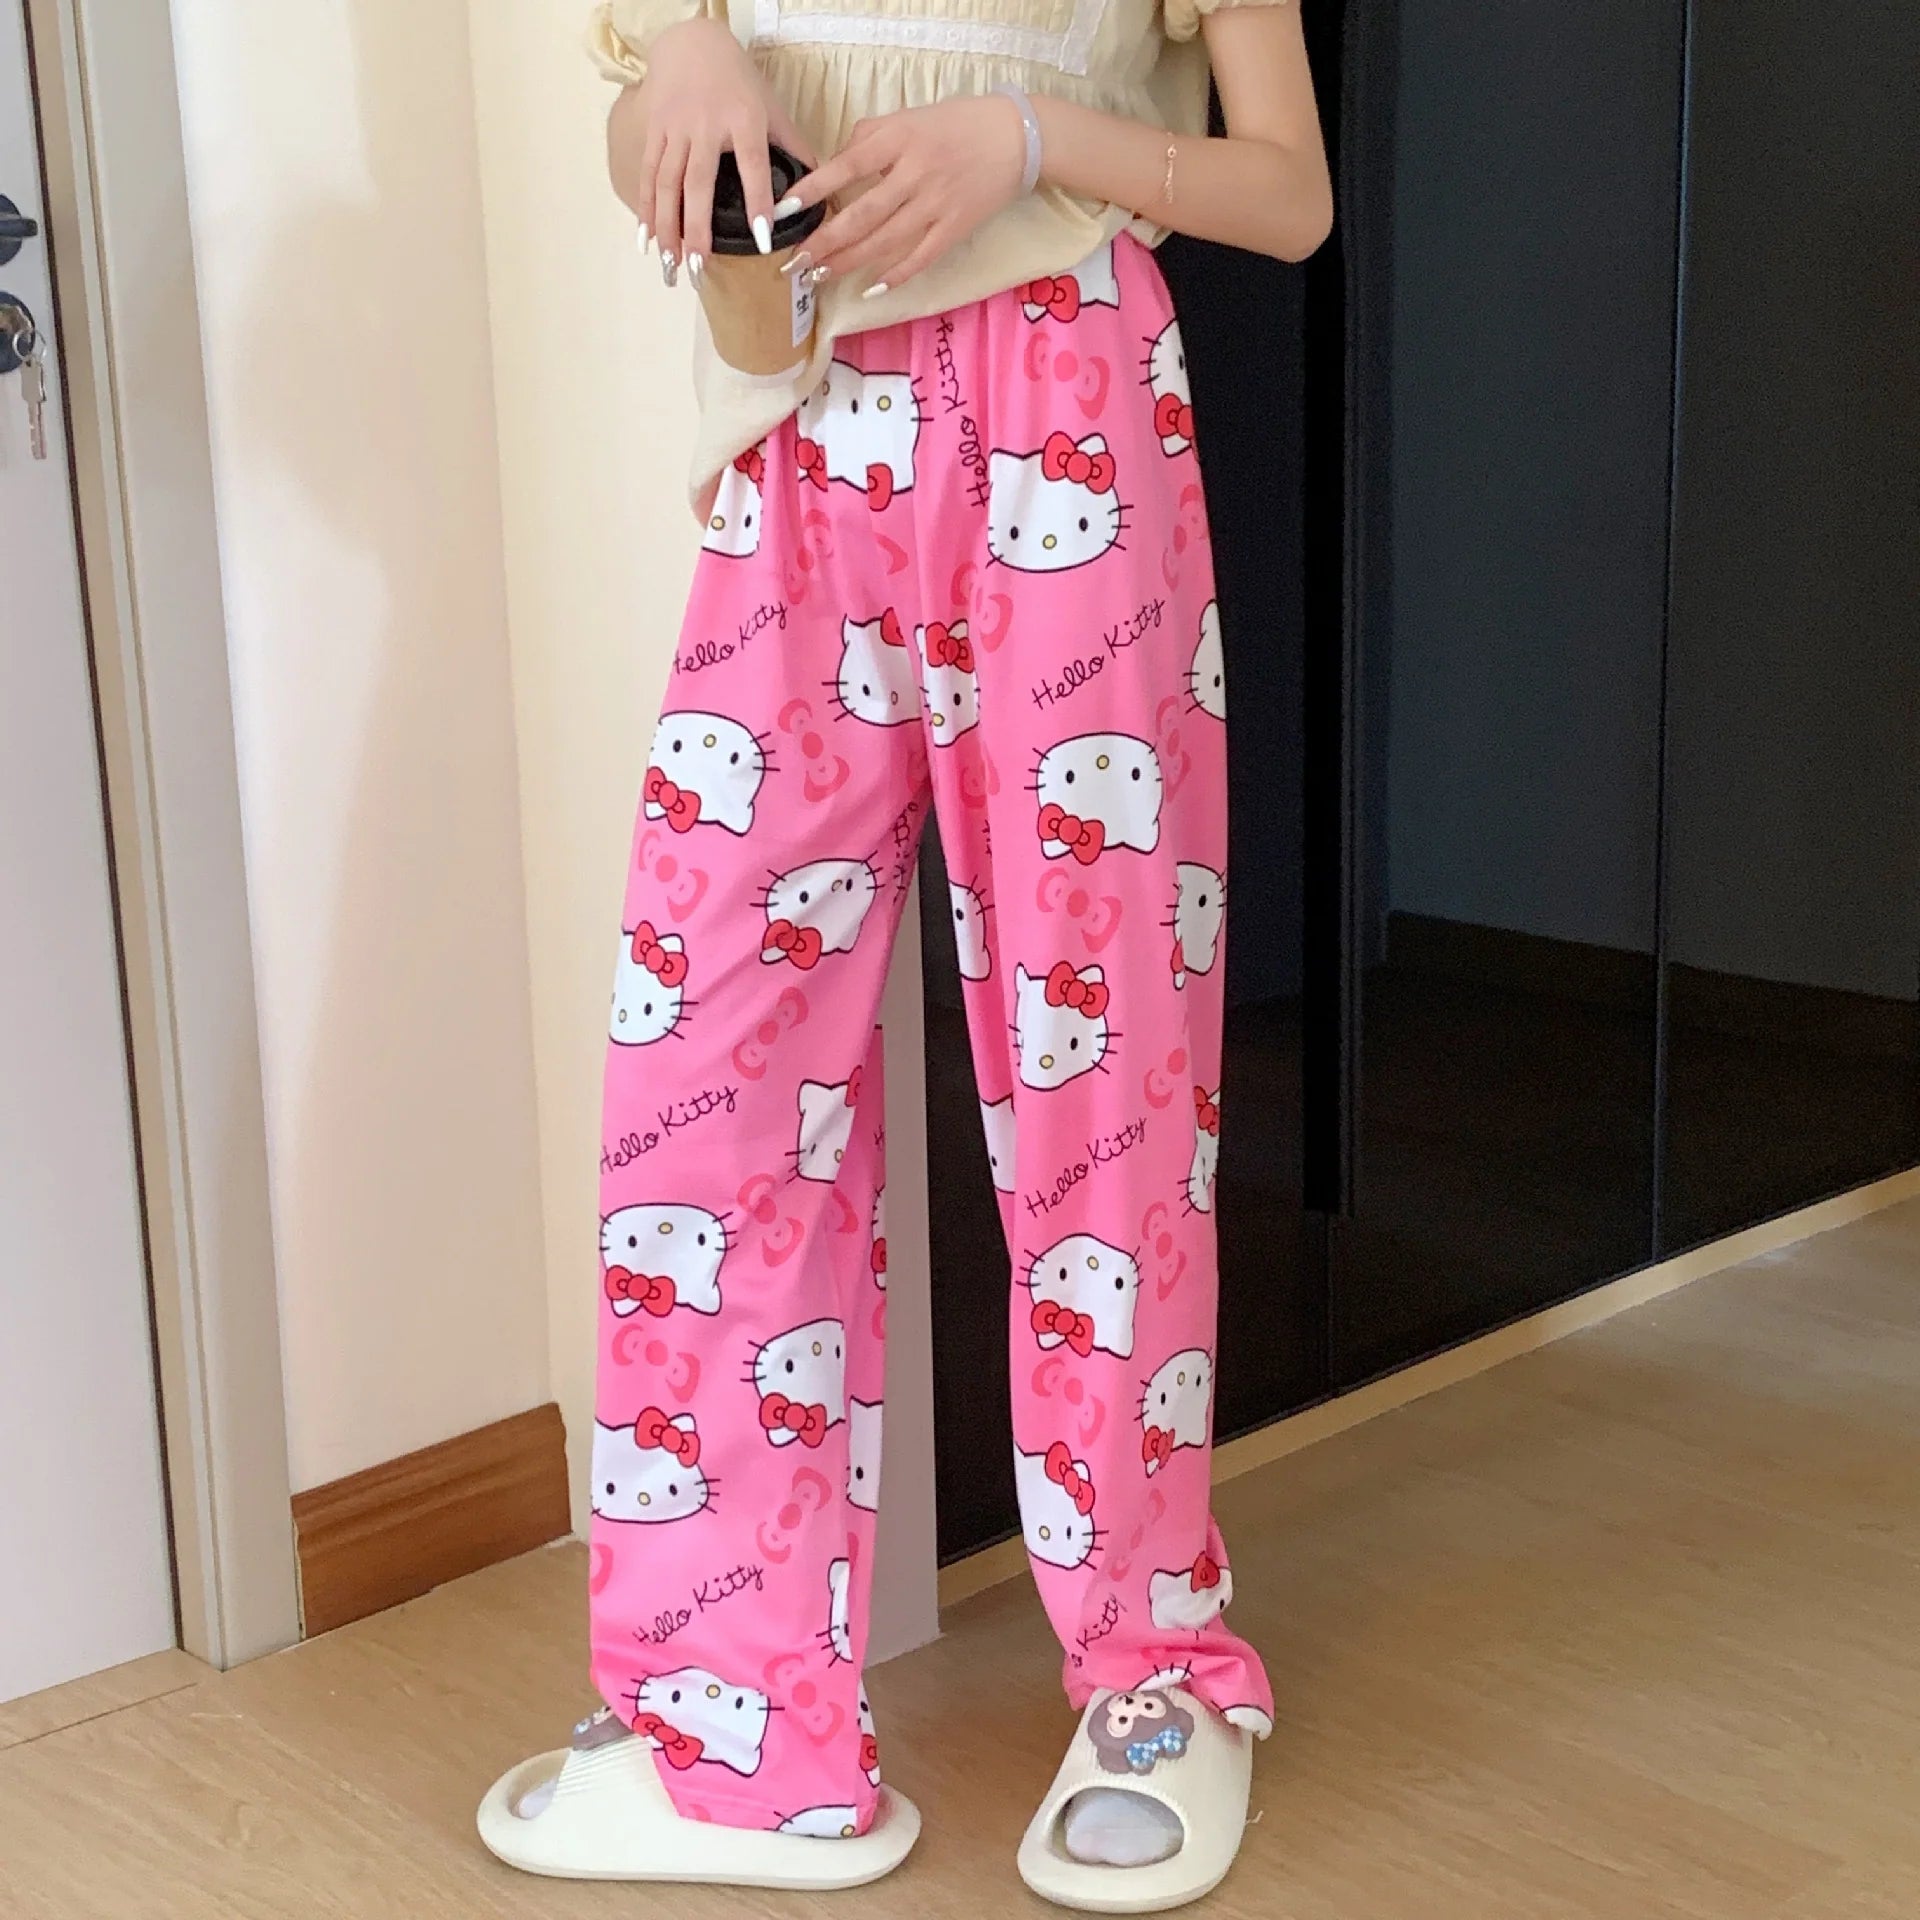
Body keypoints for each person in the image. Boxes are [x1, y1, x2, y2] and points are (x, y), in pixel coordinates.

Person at [477, 0, 1329, 1907]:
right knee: (710, 1069)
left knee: (1101, 1080)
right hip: (801, 431)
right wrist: (677, 83)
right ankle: (730, 1724)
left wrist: (1027, 139)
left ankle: (1151, 1668)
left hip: (1067, 399)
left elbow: (1288, 192)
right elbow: (659, 180)